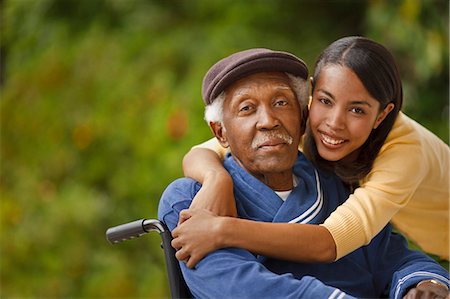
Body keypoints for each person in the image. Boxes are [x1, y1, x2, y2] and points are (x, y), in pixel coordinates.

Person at [158, 48, 450, 299]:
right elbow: (241, 287)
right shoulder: (190, 198)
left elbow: (392, 256)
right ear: (220, 131)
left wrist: (425, 283)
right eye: (247, 108)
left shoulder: (332, 182)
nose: (268, 121)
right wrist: (215, 178)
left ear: (302, 120)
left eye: (281, 103)